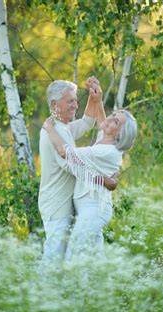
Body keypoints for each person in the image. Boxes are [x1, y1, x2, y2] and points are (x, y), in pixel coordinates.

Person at [42, 78, 137, 260]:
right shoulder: (106, 140)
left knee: (72, 259)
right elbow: (100, 122)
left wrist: (48, 128)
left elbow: (65, 153)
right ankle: (100, 288)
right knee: (94, 261)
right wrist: (98, 100)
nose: (110, 119)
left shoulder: (104, 151)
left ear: (119, 133)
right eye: (113, 115)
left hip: (94, 209)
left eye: (115, 122)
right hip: (84, 206)